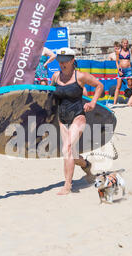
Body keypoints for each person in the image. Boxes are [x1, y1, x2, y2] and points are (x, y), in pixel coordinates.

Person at [50, 47, 104, 195]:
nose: (62, 64)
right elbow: (50, 96)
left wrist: (93, 102)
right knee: (72, 154)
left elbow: (99, 85)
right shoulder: (55, 76)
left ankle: (68, 185)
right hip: (62, 119)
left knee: (66, 149)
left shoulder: (80, 76)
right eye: (60, 61)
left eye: (65, 61)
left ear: (72, 60)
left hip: (78, 117)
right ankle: (85, 164)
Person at [112, 38, 132, 105]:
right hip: (121, 70)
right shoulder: (118, 51)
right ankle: (114, 103)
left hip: (128, 69)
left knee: (130, 85)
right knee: (118, 86)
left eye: (126, 43)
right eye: (124, 43)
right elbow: (117, 61)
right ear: (121, 44)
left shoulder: (130, 51)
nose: (125, 44)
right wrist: (118, 70)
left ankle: (130, 100)